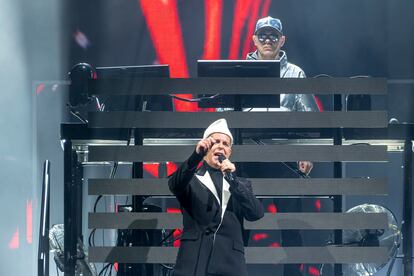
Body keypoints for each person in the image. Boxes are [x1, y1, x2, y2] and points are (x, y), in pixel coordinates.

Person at [246, 16, 320, 275]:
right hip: (248, 157)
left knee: (290, 224)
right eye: (263, 36)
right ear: (254, 39)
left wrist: (307, 152)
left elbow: (310, 118)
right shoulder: (239, 70)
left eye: (273, 36)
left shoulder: (295, 73)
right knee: (240, 222)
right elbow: (224, 110)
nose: (268, 40)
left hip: (284, 157)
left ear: (282, 40)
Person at [168, 118, 264, 276]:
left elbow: (256, 213)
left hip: (229, 264)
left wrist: (233, 180)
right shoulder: (191, 179)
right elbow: (174, 185)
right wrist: (195, 157)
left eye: (225, 144)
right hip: (194, 263)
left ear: (229, 152)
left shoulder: (241, 184)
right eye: (215, 142)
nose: (220, 146)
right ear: (205, 148)